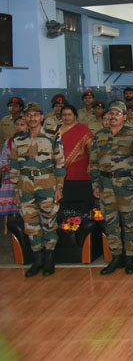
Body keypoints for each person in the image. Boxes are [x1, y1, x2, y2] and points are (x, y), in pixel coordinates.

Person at [9, 102, 65, 277]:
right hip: (25, 186)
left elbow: (60, 164)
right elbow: (14, 166)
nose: (32, 118)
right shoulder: (17, 139)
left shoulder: (52, 136)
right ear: (24, 118)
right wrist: (16, 191)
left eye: (35, 115)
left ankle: (49, 259)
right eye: (28, 115)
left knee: (49, 222)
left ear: (42, 117)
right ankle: (37, 260)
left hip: (47, 183)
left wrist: (59, 188)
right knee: (30, 224)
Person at [89, 101, 133, 275]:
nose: (113, 116)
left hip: (127, 184)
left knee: (129, 222)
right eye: (111, 113)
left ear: (125, 116)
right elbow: (94, 161)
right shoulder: (100, 135)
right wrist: (95, 184)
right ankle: (116, 257)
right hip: (106, 185)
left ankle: (130, 258)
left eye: (118, 113)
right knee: (110, 223)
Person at [58, 104, 94, 217]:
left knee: (81, 207)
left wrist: (91, 163)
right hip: (61, 175)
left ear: (75, 116)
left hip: (81, 173)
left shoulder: (82, 129)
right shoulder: (56, 131)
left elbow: (92, 148)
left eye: (69, 115)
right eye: (64, 115)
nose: (66, 117)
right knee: (64, 205)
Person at [0, 116, 26, 220]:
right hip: (11, 174)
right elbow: (3, 157)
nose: (19, 127)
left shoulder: (31, 139)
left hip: (26, 175)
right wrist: (8, 168)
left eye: (22, 125)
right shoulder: (9, 140)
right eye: (17, 124)